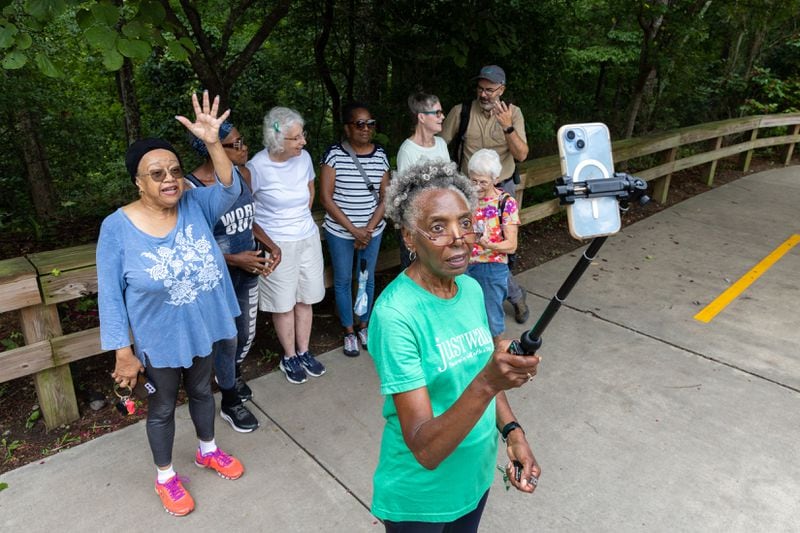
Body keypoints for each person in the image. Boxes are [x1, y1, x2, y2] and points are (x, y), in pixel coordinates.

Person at [368, 159, 541, 531]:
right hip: (422, 499)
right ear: (410, 237)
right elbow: (425, 449)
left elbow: (480, 370)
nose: (459, 237)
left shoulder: (471, 289)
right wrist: (490, 381)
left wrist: (513, 432)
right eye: (437, 227)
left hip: (474, 479)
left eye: (464, 222)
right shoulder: (396, 315)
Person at [98, 91, 245, 517]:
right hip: (157, 334)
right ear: (138, 182)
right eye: (156, 173)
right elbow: (110, 292)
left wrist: (214, 142)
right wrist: (122, 352)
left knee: (202, 389)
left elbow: (230, 187)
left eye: (175, 171)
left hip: (203, 322)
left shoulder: (195, 203)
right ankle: (165, 476)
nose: (169, 179)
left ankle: (207, 450)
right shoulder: (116, 227)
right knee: (162, 406)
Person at [185, 120, 283, 432]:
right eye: (236, 144)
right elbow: (194, 243)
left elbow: (247, 220)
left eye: (242, 141)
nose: (244, 149)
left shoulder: (243, 174)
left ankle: (231, 374)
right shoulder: (192, 188)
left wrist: (270, 244)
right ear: (212, 147)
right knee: (227, 340)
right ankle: (229, 400)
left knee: (246, 334)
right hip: (218, 280)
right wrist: (233, 259)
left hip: (248, 270)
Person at [441, 65, 530, 324]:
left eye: (490, 90)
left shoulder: (514, 114)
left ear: (501, 90)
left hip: (502, 190)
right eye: (480, 89)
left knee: (501, 248)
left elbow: (522, 155)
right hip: (468, 190)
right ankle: (506, 295)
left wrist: (508, 128)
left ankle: (509, 295)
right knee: (467, 244)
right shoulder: (462, 112)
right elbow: (438, 142)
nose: (484, 94)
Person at [246, 107, 326, 385]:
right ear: (277, 140)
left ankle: (304, 351)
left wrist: (299, 219)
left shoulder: (303, 158)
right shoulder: (256, 167)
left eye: (302, 135)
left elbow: (311, 190)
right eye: (296, 138)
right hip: (276, 243)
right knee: (283, 304)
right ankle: (289, 356)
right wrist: (272, 235)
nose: (303, 141)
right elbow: (247, 209)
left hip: (306, 236)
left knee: (306, 297)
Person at [320, 102, 390, 357]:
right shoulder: (334, 154)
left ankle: (364, 325)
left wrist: (368, 230)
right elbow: (326, 198)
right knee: (342, 280)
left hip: (372, 230)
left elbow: (386, 196)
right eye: (359, 124)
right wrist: (353, 230)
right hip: (341, 232)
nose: (365, 129)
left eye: (370, 124)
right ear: (348, 128)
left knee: (366, 279)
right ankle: (348, 330)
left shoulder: (380, 155)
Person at [466, 149, 520, 345]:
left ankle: (498, 356)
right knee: (465, 316)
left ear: (495, 179)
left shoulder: (506, 203)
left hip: (492, 265)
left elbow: (512, 245)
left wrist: (489, 244)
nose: (477, 187)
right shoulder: (465, 199)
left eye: (483, 182)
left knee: (492, 318)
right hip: (463, 265)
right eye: (473, 180)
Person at [396, 92, 451, 268]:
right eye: (437, 113)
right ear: (421, 117)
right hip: (419, 226)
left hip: (442, 221)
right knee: (417, 272)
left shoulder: (441, 144)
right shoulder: (408, 150)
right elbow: (406, 196)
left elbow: (450, 182)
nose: (442, 117)